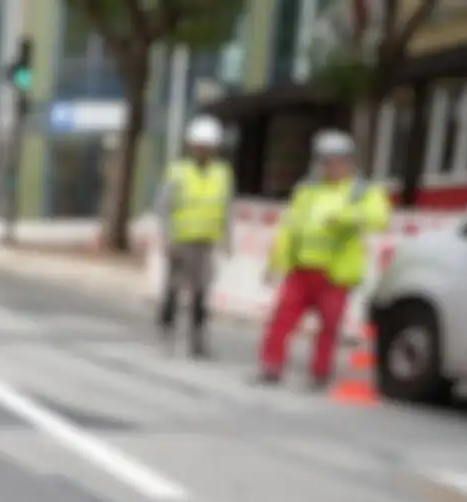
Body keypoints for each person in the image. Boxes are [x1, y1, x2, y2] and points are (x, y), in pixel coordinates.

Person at [256, 129, 392, 387]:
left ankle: (320, 372)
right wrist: (276, 262)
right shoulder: (307, 190)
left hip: (334, 272)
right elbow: (289, 228)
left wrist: (344, 219)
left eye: (336, 160)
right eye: (325, 161)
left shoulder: (362, 192)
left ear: (349, 161)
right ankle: (270, 365)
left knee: (329, 326)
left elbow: (379, 218)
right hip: (301, 268)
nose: (331, 167)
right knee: (281, 320)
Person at [149, 116, 234, 358]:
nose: (203, 151)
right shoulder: (178, 172)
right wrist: (167, 238)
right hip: (181, 241)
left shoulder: (222, 173)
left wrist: (228, 240)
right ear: (192, 146)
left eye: (208, 147)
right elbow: (163, 207)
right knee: (173, 290)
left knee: (201, 292)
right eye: (199, 146)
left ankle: (198, 339)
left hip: (206, 242)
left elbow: (226, 207)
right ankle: (166, 332)